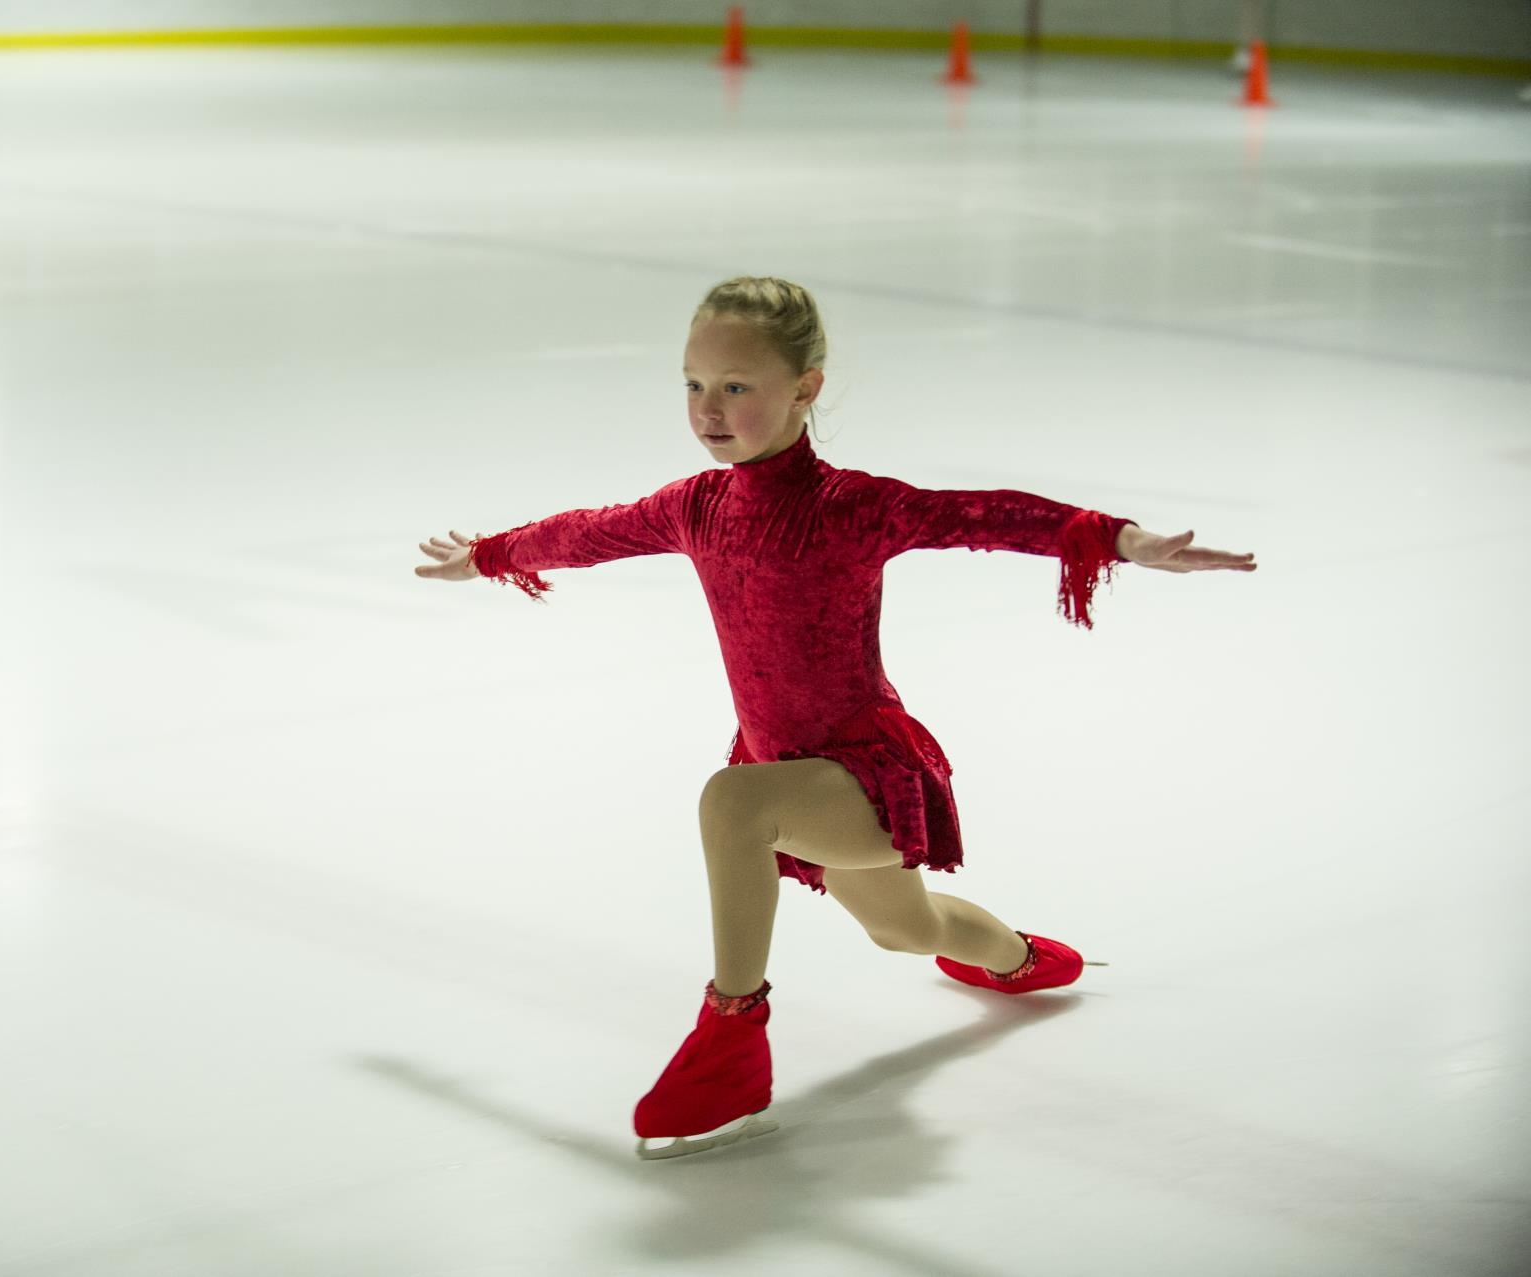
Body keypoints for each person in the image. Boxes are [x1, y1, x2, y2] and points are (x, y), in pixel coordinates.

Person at [414, 276, 1257, 1160]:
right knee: (909, 929)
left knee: (731, 802)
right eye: (694, 384)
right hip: (793, 773)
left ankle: (732, 1035)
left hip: (863, 775)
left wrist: (1117, 539)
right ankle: (1017, 956)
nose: (708, 408)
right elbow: (588, 531)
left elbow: (983, 516)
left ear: (805, 388)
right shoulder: (694, 507)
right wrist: (488, 554)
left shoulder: (851, 507)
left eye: (736, 386)